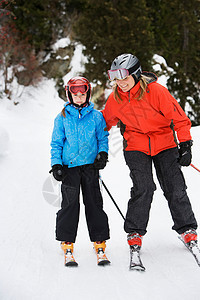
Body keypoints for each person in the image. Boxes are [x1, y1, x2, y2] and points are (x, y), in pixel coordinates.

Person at [102, 53, 198, 258]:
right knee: (143, 187)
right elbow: (103, 124)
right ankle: (135, 232)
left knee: (174, 186)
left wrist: (186, 145)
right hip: (136, 146)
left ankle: (187, 228)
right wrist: (91, 148)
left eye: (124, 77)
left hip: (165, 143)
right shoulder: (116, 97)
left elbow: (180, 119)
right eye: (115, 78)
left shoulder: (156, 92)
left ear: (136, 75)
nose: (120, 83)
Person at [50, 76, 110, 267]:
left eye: (82, 93)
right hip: (69, 169)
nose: (78, 96)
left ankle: (99, 241)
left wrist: (102, 154)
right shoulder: (62, 117)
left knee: (94, 203)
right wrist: (56, 165)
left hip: (90, 167)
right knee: (70, 205)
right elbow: (56, 143)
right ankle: (67, 242)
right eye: (74, 93)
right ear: (69, 94)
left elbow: (103, 137)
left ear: (87, 94)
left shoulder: (96, 116)